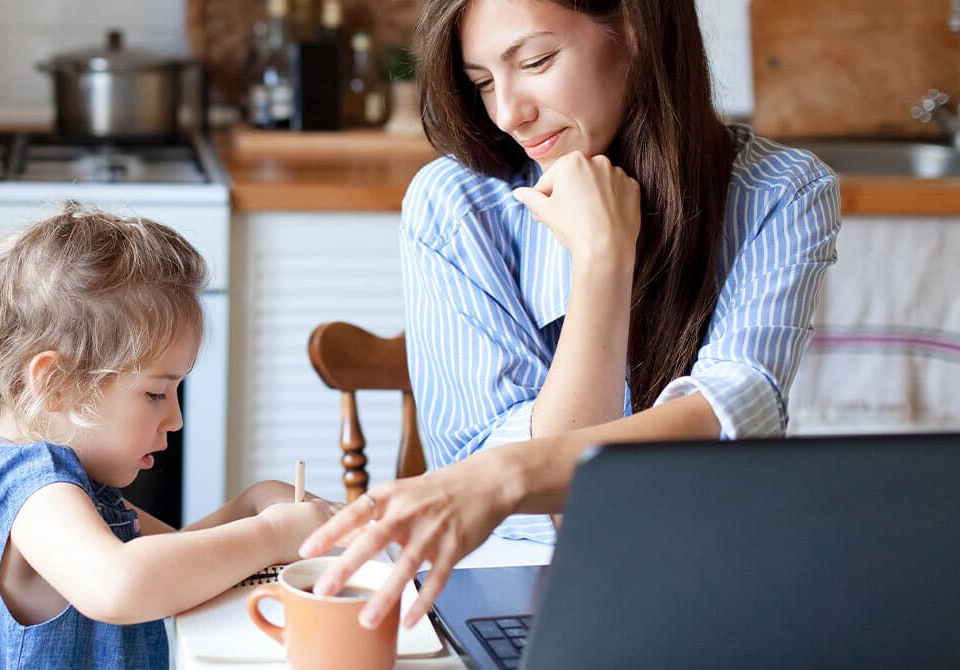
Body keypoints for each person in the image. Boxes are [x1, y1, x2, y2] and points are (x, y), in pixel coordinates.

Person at [300, 0, 840, 632]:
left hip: (707, 578)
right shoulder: (456, 205)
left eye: (536, 61)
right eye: (482, 83)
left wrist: (504, 474)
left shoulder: (783, 192)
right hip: (513, 581)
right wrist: (600, 262)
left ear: (635, 29)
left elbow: (727, 416)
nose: (507, 113)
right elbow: (554, 514)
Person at [0, 203, 335, 669]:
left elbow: (175, 565)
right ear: (56, 384)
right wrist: (269, 535)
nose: (175, 419)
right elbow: (121, 583)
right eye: (155, 393)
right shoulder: (27, 484)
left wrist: (250, 505)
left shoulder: (76, 484)